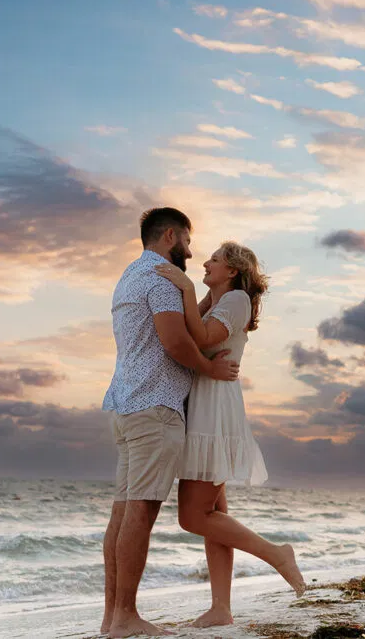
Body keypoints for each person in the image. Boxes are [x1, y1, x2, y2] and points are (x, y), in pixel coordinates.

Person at [101, 208, 239, 638]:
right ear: (169, 235)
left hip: (125, 406)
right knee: (140, 510)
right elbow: (176, 340)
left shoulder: (130, 275)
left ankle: (112, 617)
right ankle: (125, 616)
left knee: (123, 511)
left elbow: (183, 325)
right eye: (187, 241)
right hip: (156, 409)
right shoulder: (161, 277)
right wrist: (208, 369)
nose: (191, 251)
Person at [155, 241, 306, 629]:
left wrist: (186, 290)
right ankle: (221, 607)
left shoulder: (236, 299)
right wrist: (195, 296)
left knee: (192, 515)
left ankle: (278, 554)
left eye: (215, 260)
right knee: (213, 514)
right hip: (205, 404)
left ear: (234, 271)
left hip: (214, 410)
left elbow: (203, 339)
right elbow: (186, 336)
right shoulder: (215, 299)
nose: (204, 263)